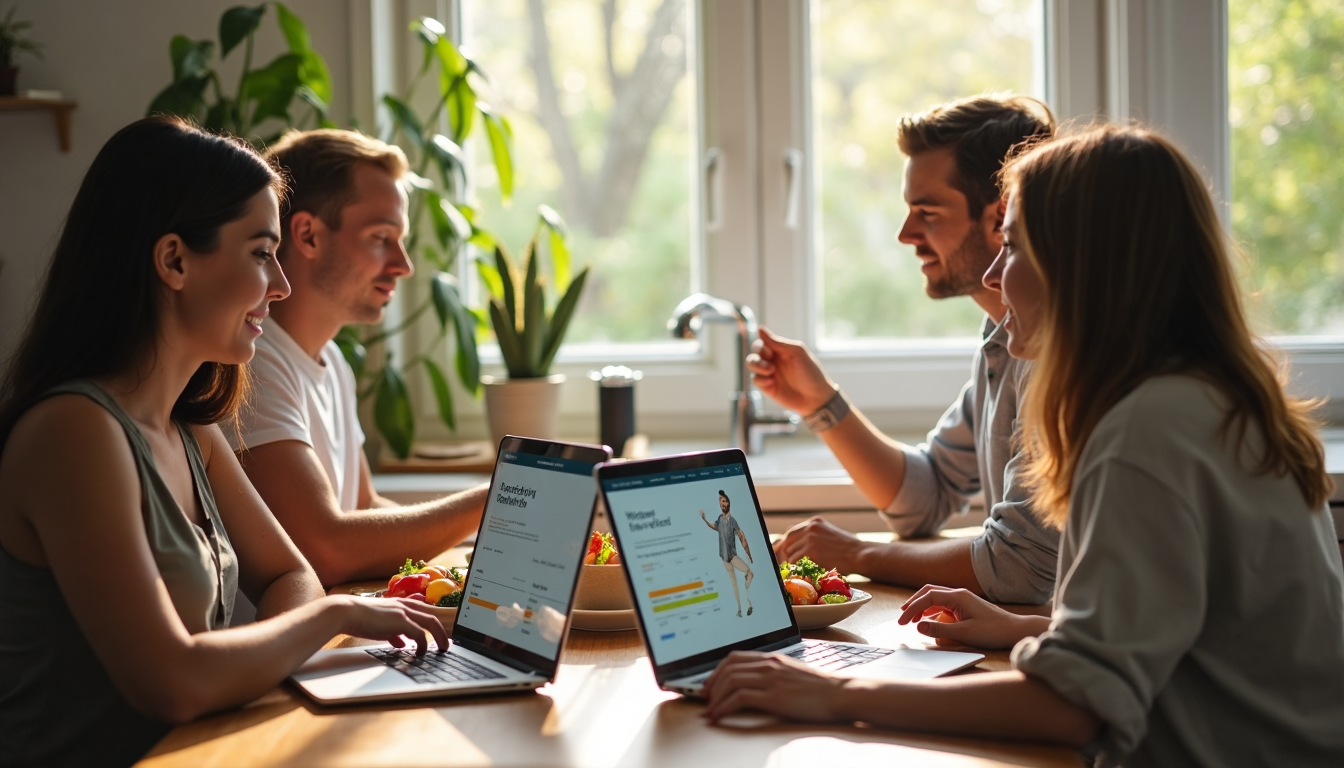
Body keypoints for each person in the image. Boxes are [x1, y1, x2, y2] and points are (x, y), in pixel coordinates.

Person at [704, 125, 1344, 766]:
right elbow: (1185, 632)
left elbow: (1069, 708)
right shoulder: (1204, 398)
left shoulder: (1145, 433)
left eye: (1010, 247)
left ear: (1084, 267)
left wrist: (834, 692)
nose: (992, 274)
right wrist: (1030, 629)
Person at [0, 118, 448, 766]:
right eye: (261, 253)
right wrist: (328, 619)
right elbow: (175, 684)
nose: (281, 284)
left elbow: (291, 572)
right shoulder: (73, 434)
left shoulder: (192, 430)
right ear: (174, 260)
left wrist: (273, 649)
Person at [756, 95, 1058, 603]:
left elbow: (1019, 564)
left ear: (999, 214)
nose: (905, 234)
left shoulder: (1052, 355)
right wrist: (819, 404)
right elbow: (926, 496)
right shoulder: (1001, 341)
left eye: (927, 211)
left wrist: (859, 555)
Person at [225, 129, 486, 589]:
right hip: (281, 656)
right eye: (380, 237)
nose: (403, 264)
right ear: (307, 235)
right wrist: (501, 500)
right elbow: (327, 549)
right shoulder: (254, 364)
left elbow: (364, 508)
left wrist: (469, 555)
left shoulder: (331, 362)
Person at [699, 491, 754, 617]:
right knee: (733, 582)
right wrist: (704, 519)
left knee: (749, 574)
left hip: (732, 555)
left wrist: (749, 555)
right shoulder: (719, 519)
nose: (722, 504)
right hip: (724, 557)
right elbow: (715, 527)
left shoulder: (732, 521)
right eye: (720, 502)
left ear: (728, 502)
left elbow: (742, 537)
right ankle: (740, 608)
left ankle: (747, 601)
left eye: (724, 501)